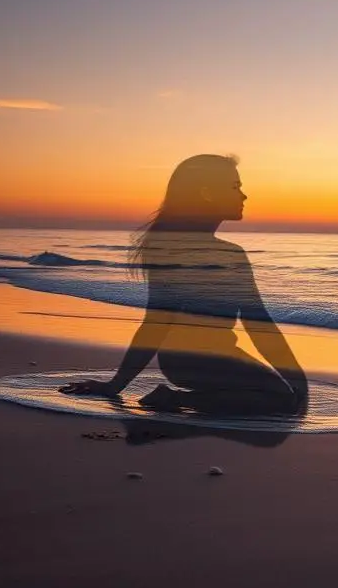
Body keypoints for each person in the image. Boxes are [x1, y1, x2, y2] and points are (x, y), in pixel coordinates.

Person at [60, 154, 308, 417]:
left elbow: (155, 324)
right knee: (283, 400)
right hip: (203, 361)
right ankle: (176, 399)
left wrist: (116, 384)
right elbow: (259, 325)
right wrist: (297, 378)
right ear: (207, 193)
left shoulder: (171, 249)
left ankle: (184, 397)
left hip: (181, 361)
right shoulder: (227, 256)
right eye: (235, 187)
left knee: (276, 394)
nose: (244, 196)